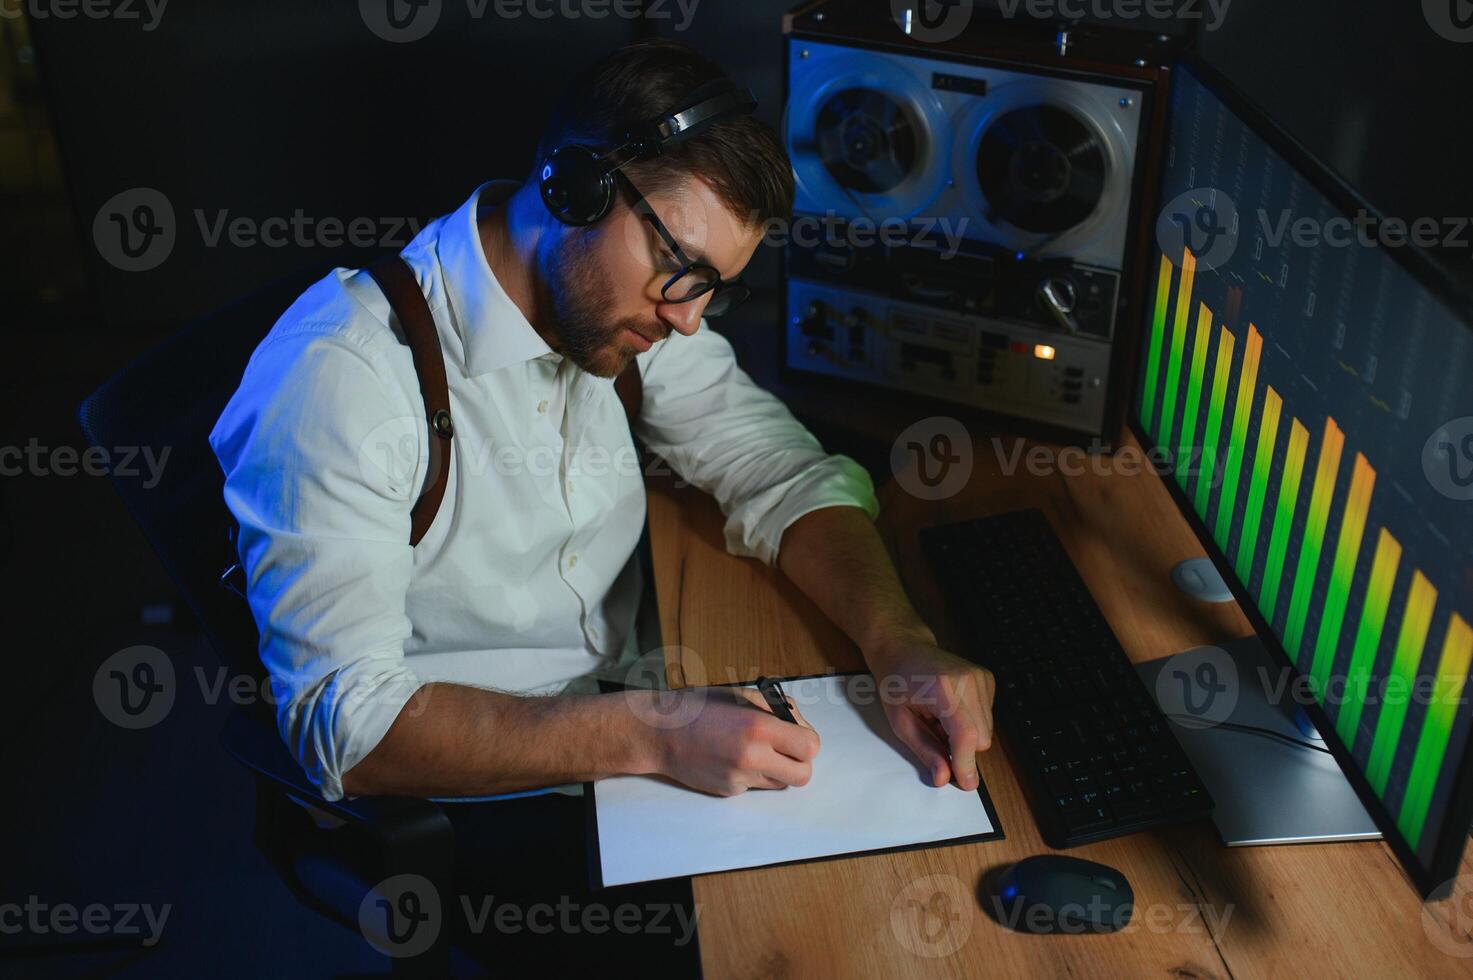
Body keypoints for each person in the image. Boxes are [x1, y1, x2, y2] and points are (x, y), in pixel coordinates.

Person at [211, 38, 994, 971]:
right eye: (680, 268)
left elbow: (778, 469)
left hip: (637, 708)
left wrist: (894, 638)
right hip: (487, 797)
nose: (688, 318)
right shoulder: (341, 382)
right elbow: (352, 728)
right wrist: (650, 736)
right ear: (572, 188)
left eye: (713, 288)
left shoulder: (628, 309)